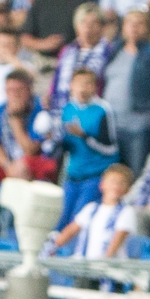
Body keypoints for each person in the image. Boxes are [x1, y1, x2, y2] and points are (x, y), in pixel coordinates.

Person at [101, 9, 150, 170]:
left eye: (139, 23)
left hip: (139, 125)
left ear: (148, 27)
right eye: (130, 23)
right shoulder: (115, 49)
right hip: (112, 124)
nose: (134, 27)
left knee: (136, 171)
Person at [56, 69, 121, 227]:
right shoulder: (68, 109)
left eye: (88, 84)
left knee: (78, 221)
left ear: (95, 87)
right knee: (60, 220)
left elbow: (111, 148)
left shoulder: (103, 110)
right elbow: (65, 146)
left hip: (95, 175)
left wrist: (85, 136)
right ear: (71, 86)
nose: (83, 88)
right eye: (79, 84)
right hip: (72, 176)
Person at [0, 69, 58, 185]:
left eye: (19, 90)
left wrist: (15, 121)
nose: (14, 95)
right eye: (10, 90)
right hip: (10, 162)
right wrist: (7, 165)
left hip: (38, 162)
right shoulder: (0, 110)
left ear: (29, 90)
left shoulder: (41, 110)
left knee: (21, 168)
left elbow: (31, 150)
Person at [50, 163, 136, 260]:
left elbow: (116, 243)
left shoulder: (127, 212)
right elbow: (71, 230)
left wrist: (104, 261)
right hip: (85, 264)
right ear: (102, 185)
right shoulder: (91, 208)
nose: (116, 186)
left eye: (121, 183)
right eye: (113, 181)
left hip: (108, 267)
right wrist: (53, 247)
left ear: (128, 189)